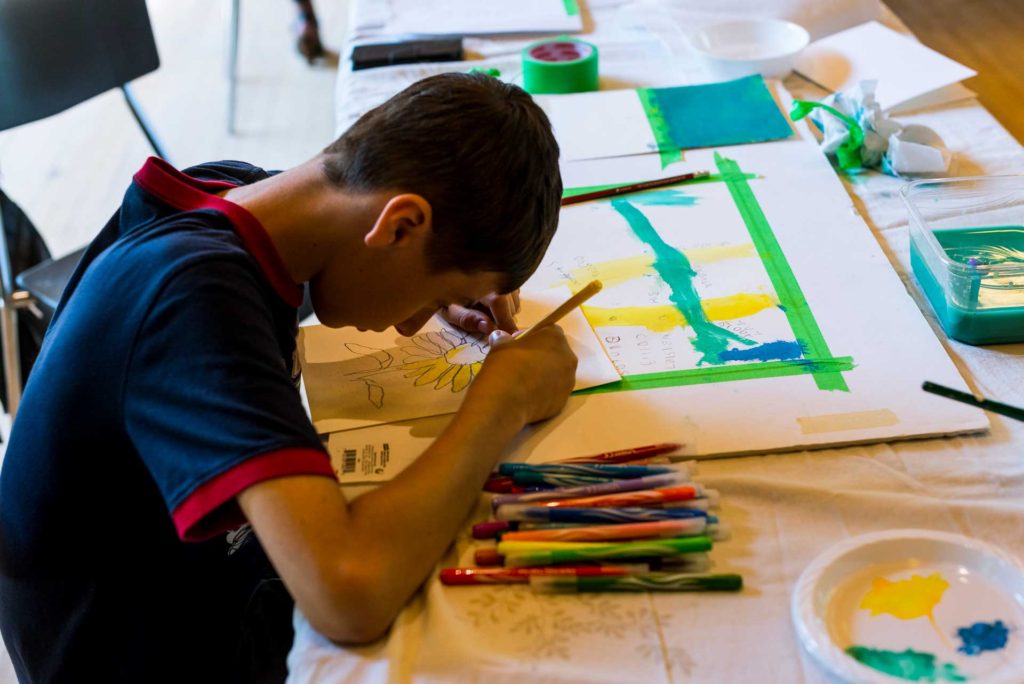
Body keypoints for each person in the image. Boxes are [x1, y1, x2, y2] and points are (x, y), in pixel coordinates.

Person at [0, 72, 575, 682]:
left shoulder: (243, 197)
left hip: (186, 579)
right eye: (437, 294)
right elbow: (347, 597)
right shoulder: (192, 302)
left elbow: (313, 261)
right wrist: (499, 402)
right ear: (401, 226)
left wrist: (438, 294)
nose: (414, 328)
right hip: (143, 647)